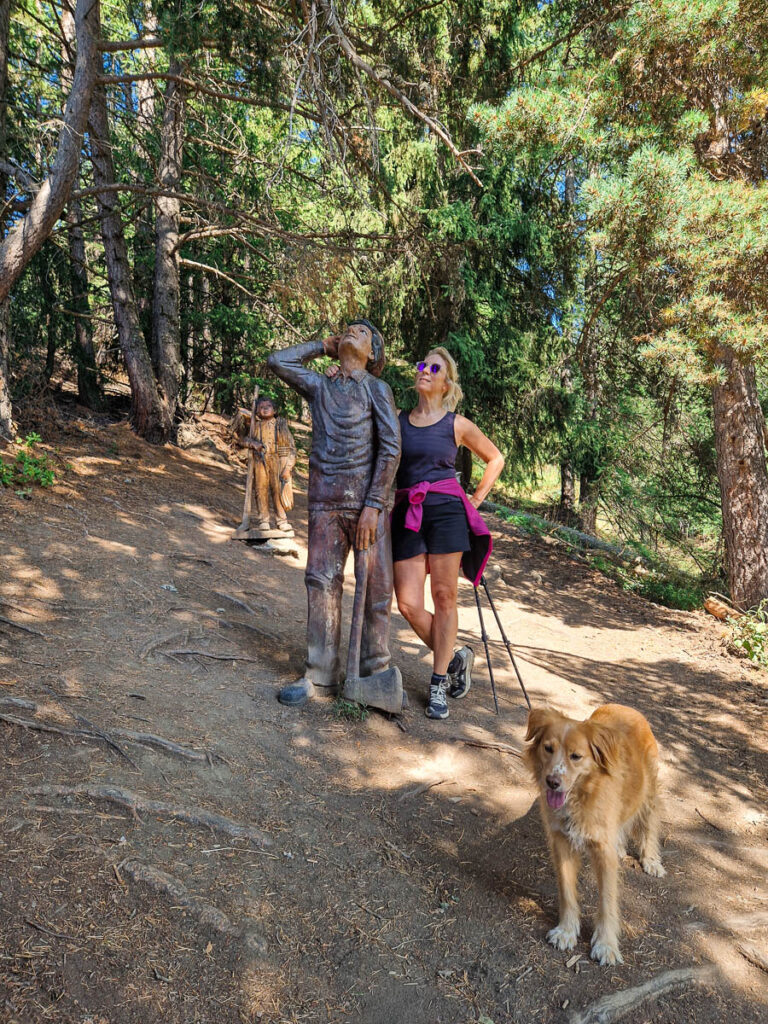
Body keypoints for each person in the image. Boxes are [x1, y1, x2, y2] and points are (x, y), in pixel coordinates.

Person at [267, 320, 402, 710]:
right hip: (325, 501)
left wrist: (374, 505)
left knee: (376, 588)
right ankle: (319, 672)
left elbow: (391, 448)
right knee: (320, 581)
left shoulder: (378, 389)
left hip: (366, 507)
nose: (350, 332)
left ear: (373, 354)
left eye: (361, 332)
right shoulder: (321, 386)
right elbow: (278, 360)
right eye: (346, 329)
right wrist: (322, 346)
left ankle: (375, 674)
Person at [391, 347, 504, 720]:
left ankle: (438, 682)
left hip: (446, 512)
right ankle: (456, 658)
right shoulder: (399, 419)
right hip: (408, 511)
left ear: (445, 383)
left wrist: (475, 499)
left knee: (443, 597)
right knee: (407, 603)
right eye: (422, 364)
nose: (424, 370)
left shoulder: (456, 424)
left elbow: (496, 458)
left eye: (433, 367)